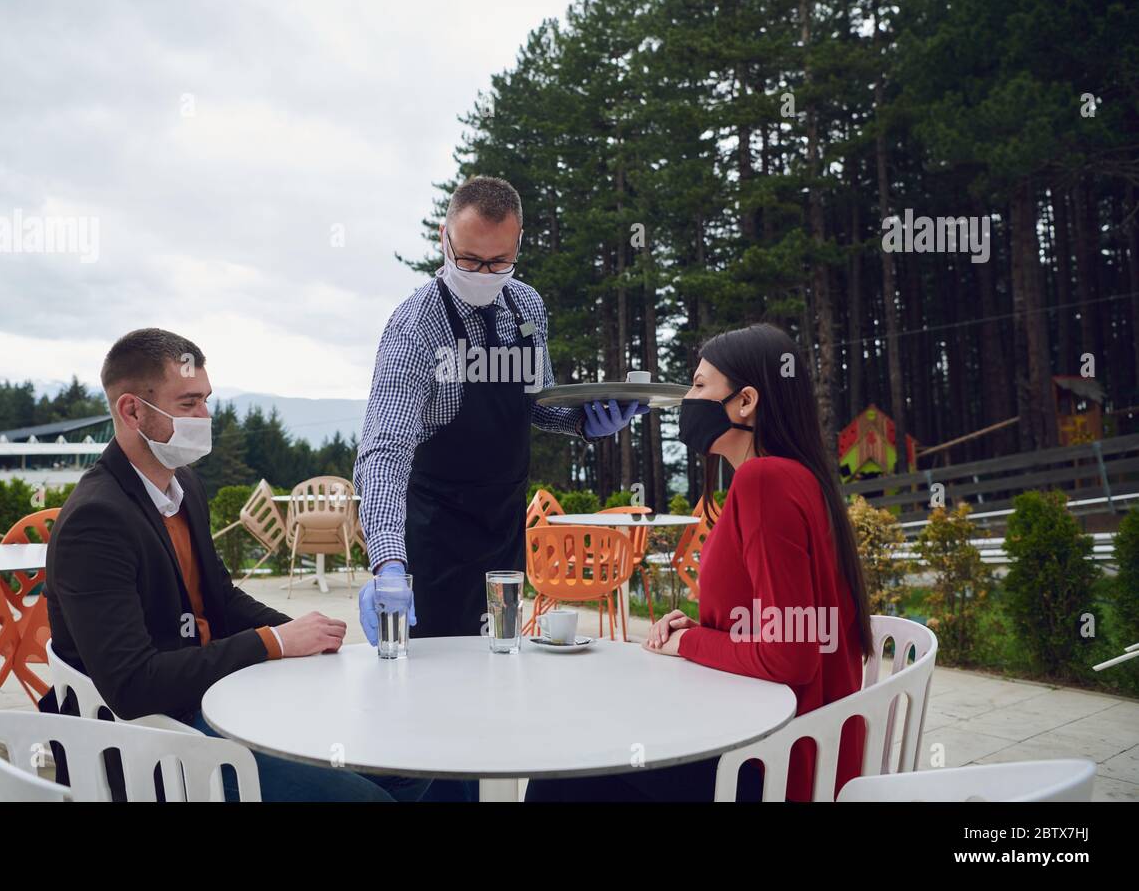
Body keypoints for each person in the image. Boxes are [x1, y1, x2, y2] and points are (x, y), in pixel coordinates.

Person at [42, 327, 428, 802]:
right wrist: (274, 642)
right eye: (187, 404)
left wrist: (307, 639)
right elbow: (132, 685)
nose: (205, 416)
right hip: (150, 743)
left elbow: (220, 599)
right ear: (131, 410)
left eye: (206, 400)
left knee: (412, 760)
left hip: (214, 704)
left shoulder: (183, 487)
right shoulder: (96, 521)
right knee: (366, 798)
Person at [354, 176, 648, 799]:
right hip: (429, 538)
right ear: (444, 238)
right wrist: (387, 558)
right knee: (420, 716)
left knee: (491, 691)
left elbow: (534, 405)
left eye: (500, 261)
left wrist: (587, 419)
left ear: (518, 246)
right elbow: (385, 449)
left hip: (500, 532)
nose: (485, 273)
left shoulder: (528, 308)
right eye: (469, 259)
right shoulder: (416, 328)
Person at [526, 322, 870, 802]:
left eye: (700, 385)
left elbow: (791, 655)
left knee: (566, 767)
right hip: (801, 750)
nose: (687, 398)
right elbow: (788, 620)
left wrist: (690, 643)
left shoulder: (764, 482)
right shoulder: (795, 477)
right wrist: (710, 628)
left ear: (746, 401)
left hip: (773, 768)